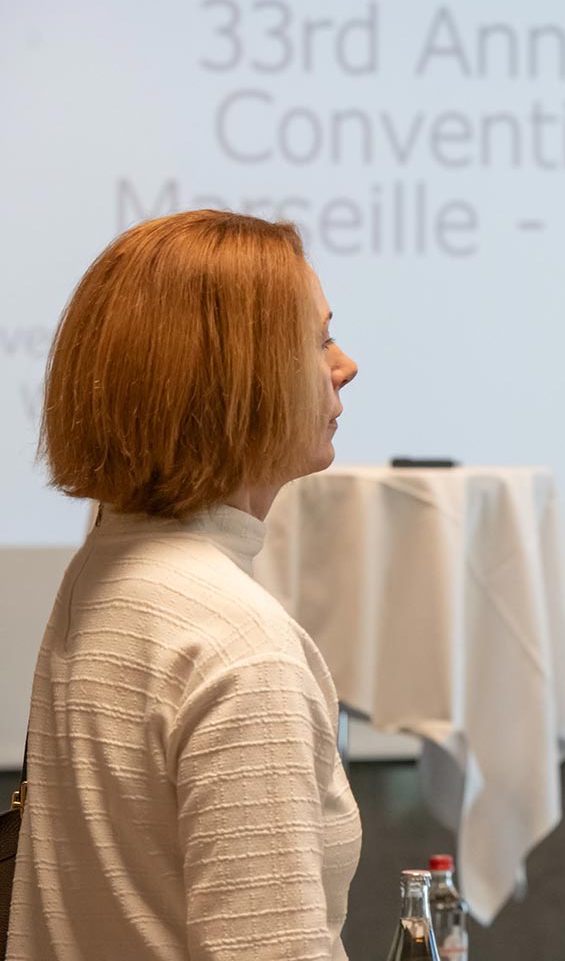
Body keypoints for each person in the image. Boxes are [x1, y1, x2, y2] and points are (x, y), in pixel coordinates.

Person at [7, 211, 362, 961]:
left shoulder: (105, 570)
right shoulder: (238, 645)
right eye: (318, 339)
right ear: (239, 377)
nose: (346, 364)